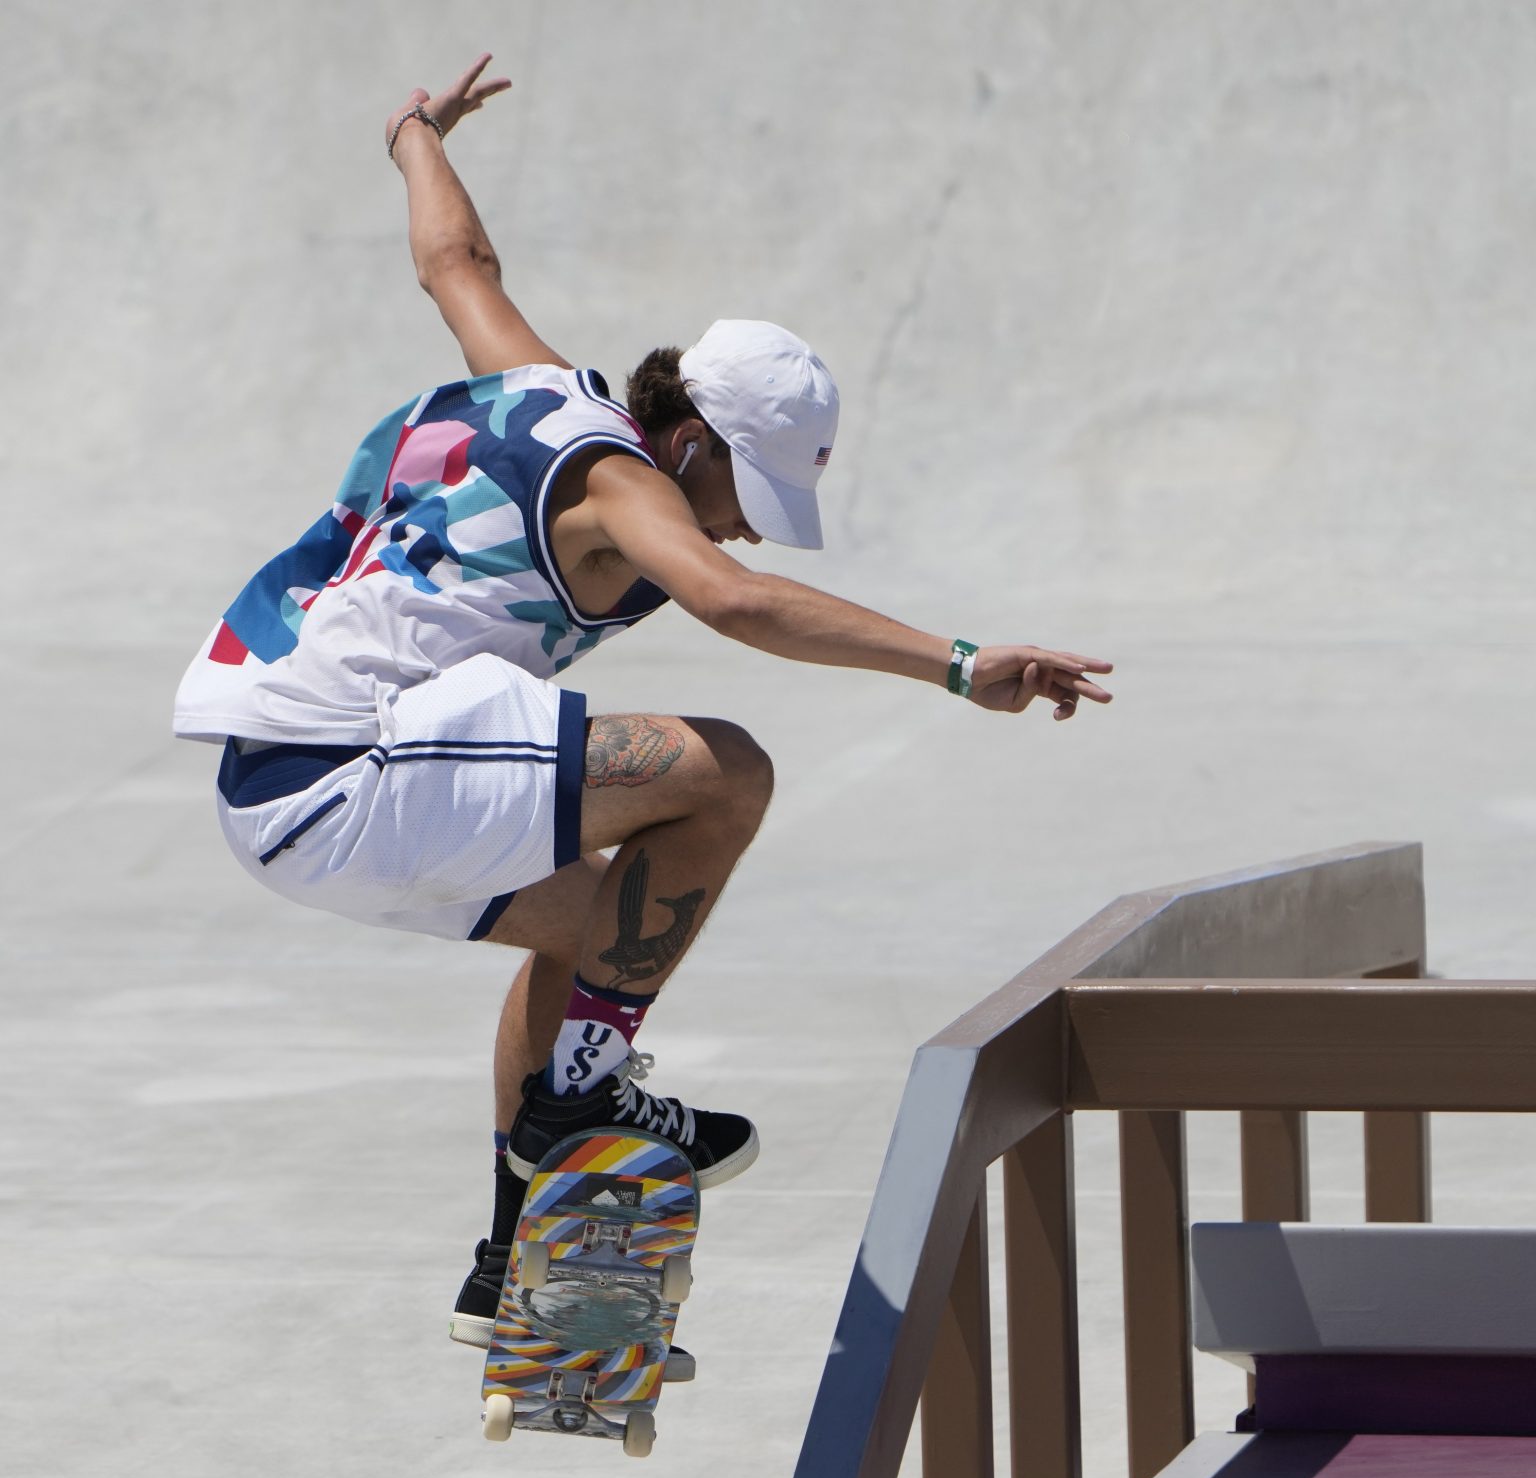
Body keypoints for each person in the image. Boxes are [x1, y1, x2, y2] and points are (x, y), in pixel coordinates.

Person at [172, 54, 1114, 1356]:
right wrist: (957, 664)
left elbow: (459, 268)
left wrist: (411, 134)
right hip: (353, 763)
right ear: (692, 438)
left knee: (605, 924)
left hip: (275, 794)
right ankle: (580, 1104)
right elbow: (732, 603)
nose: (746, 531)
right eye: (745, 496)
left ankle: (518, 1254)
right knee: (727, 774)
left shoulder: (543, 387)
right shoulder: (625, 485)